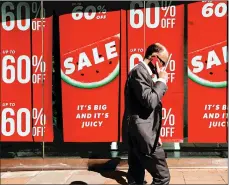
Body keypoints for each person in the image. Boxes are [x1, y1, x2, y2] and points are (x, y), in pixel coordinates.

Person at [123, 43, 170, 185]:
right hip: (142, 134)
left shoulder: (143, 74)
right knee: (162, 177)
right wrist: (161, 80)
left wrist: (155, 133)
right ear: (155, 58)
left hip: (142, 132)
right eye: (162, 62)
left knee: (136, 175)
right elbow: (150, 101)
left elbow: (145, 106)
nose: (162, 67)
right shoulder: (139, 72)